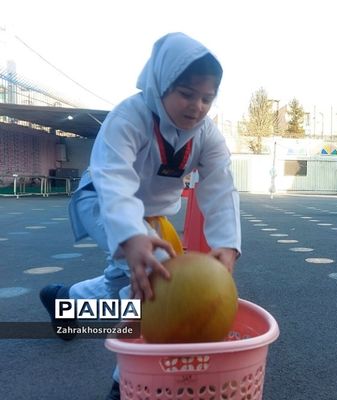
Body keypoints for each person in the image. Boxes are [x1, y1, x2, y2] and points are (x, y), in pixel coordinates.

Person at [38, 32, 242, 400]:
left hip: (149, 219)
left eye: (207, 98)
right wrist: (132, 237)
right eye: (186, 93)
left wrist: (227, 244)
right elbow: (113, 178)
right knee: (158, 277)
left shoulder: (207, 135)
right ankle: (125, 384)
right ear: (160, 83)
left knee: (128, 282)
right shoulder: (129, 117)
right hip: (101, 201)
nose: (197, 106)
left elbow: (221, 186)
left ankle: (63, 301)